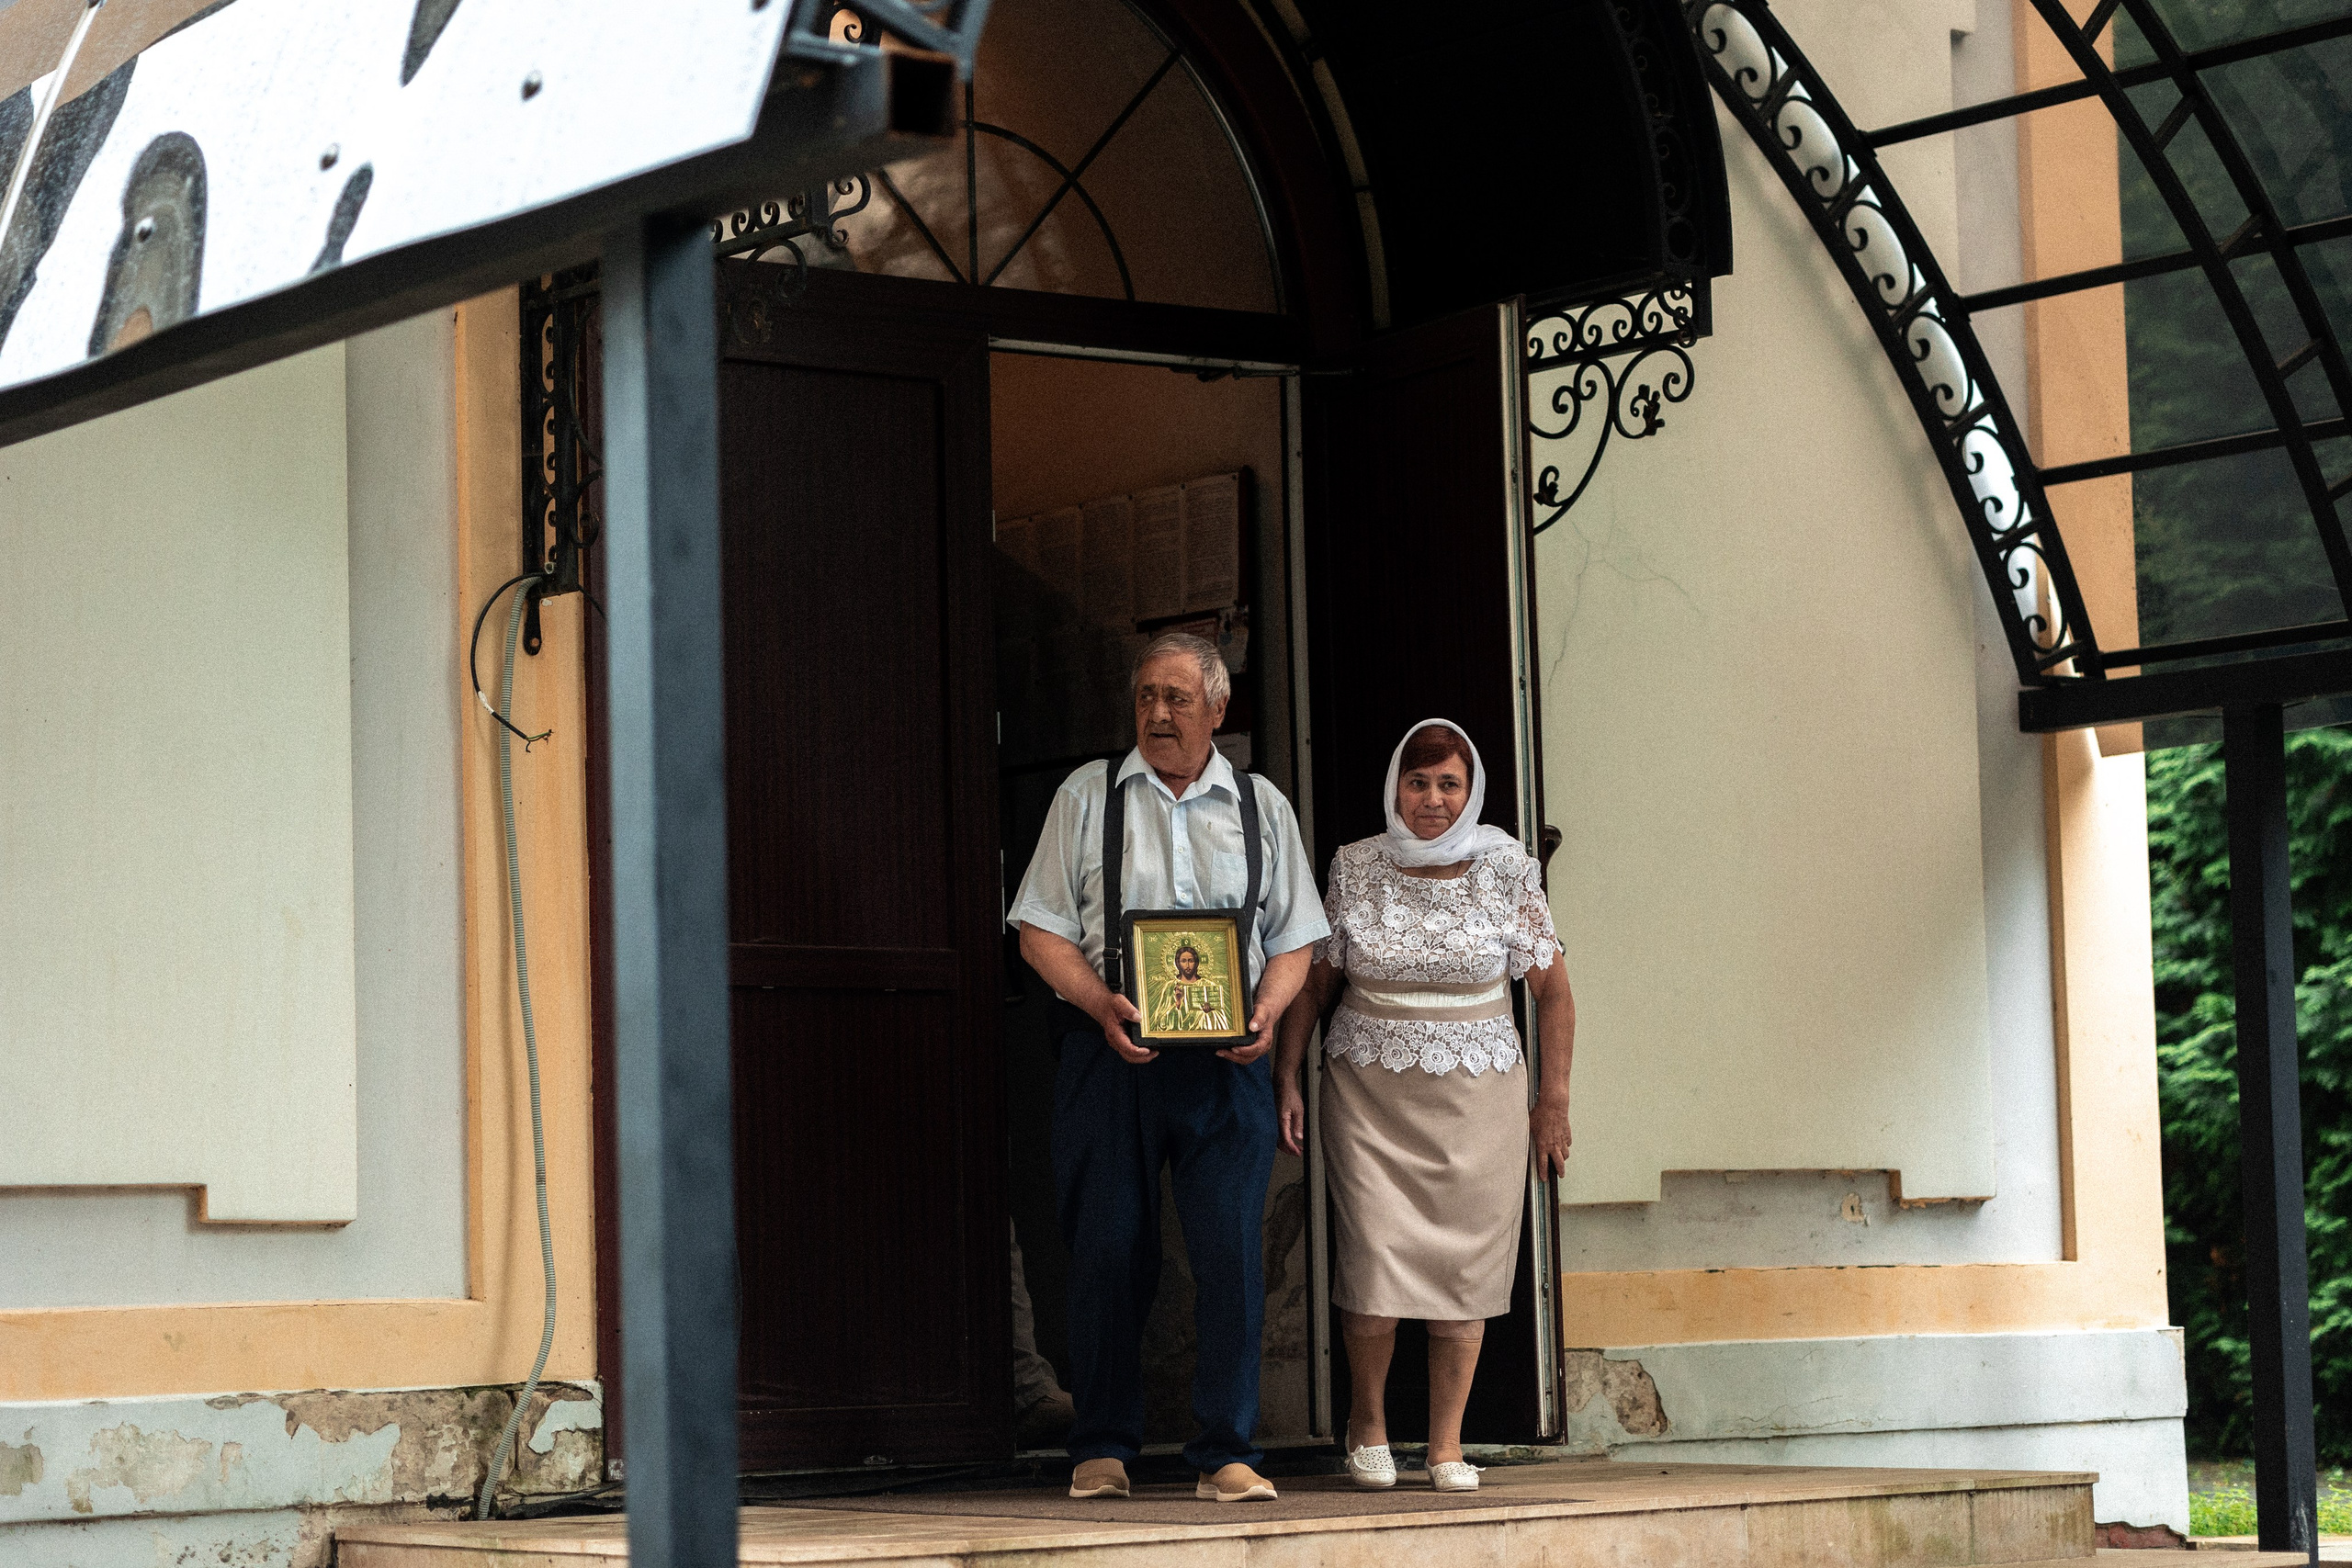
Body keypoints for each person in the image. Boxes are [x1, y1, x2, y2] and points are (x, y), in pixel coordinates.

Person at [1010, 631, 1326, 1505]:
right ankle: (1103, 1445)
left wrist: (1265, 1009)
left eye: (1178, 697)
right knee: (1109, 1248)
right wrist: (1097, 1001)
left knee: (1231, 1252)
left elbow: (1297, 936)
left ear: (1218, 710)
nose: (1157, 712)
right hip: (1111, 1054)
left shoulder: (1263, 806)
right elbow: (1040, 928)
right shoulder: (1086, 796)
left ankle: (1225, 1450)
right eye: (1147, 695)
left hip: (1230, 1062)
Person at [1273, 718, 1573, 1493]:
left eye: (1449, 783)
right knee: (1374, 1256)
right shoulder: (1354, 864)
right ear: (1395, 788)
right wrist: (1286, 1074)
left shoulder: (1511, 868)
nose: (1432, 799)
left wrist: (1553, 1100)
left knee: (1465, 1265)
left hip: (1481, 1095)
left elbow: (1553, 991)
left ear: (1471, 791)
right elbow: (1316, 980)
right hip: (1369, 1093)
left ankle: (1446, 1443)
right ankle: (1367, 1423)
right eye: (1418, 781)